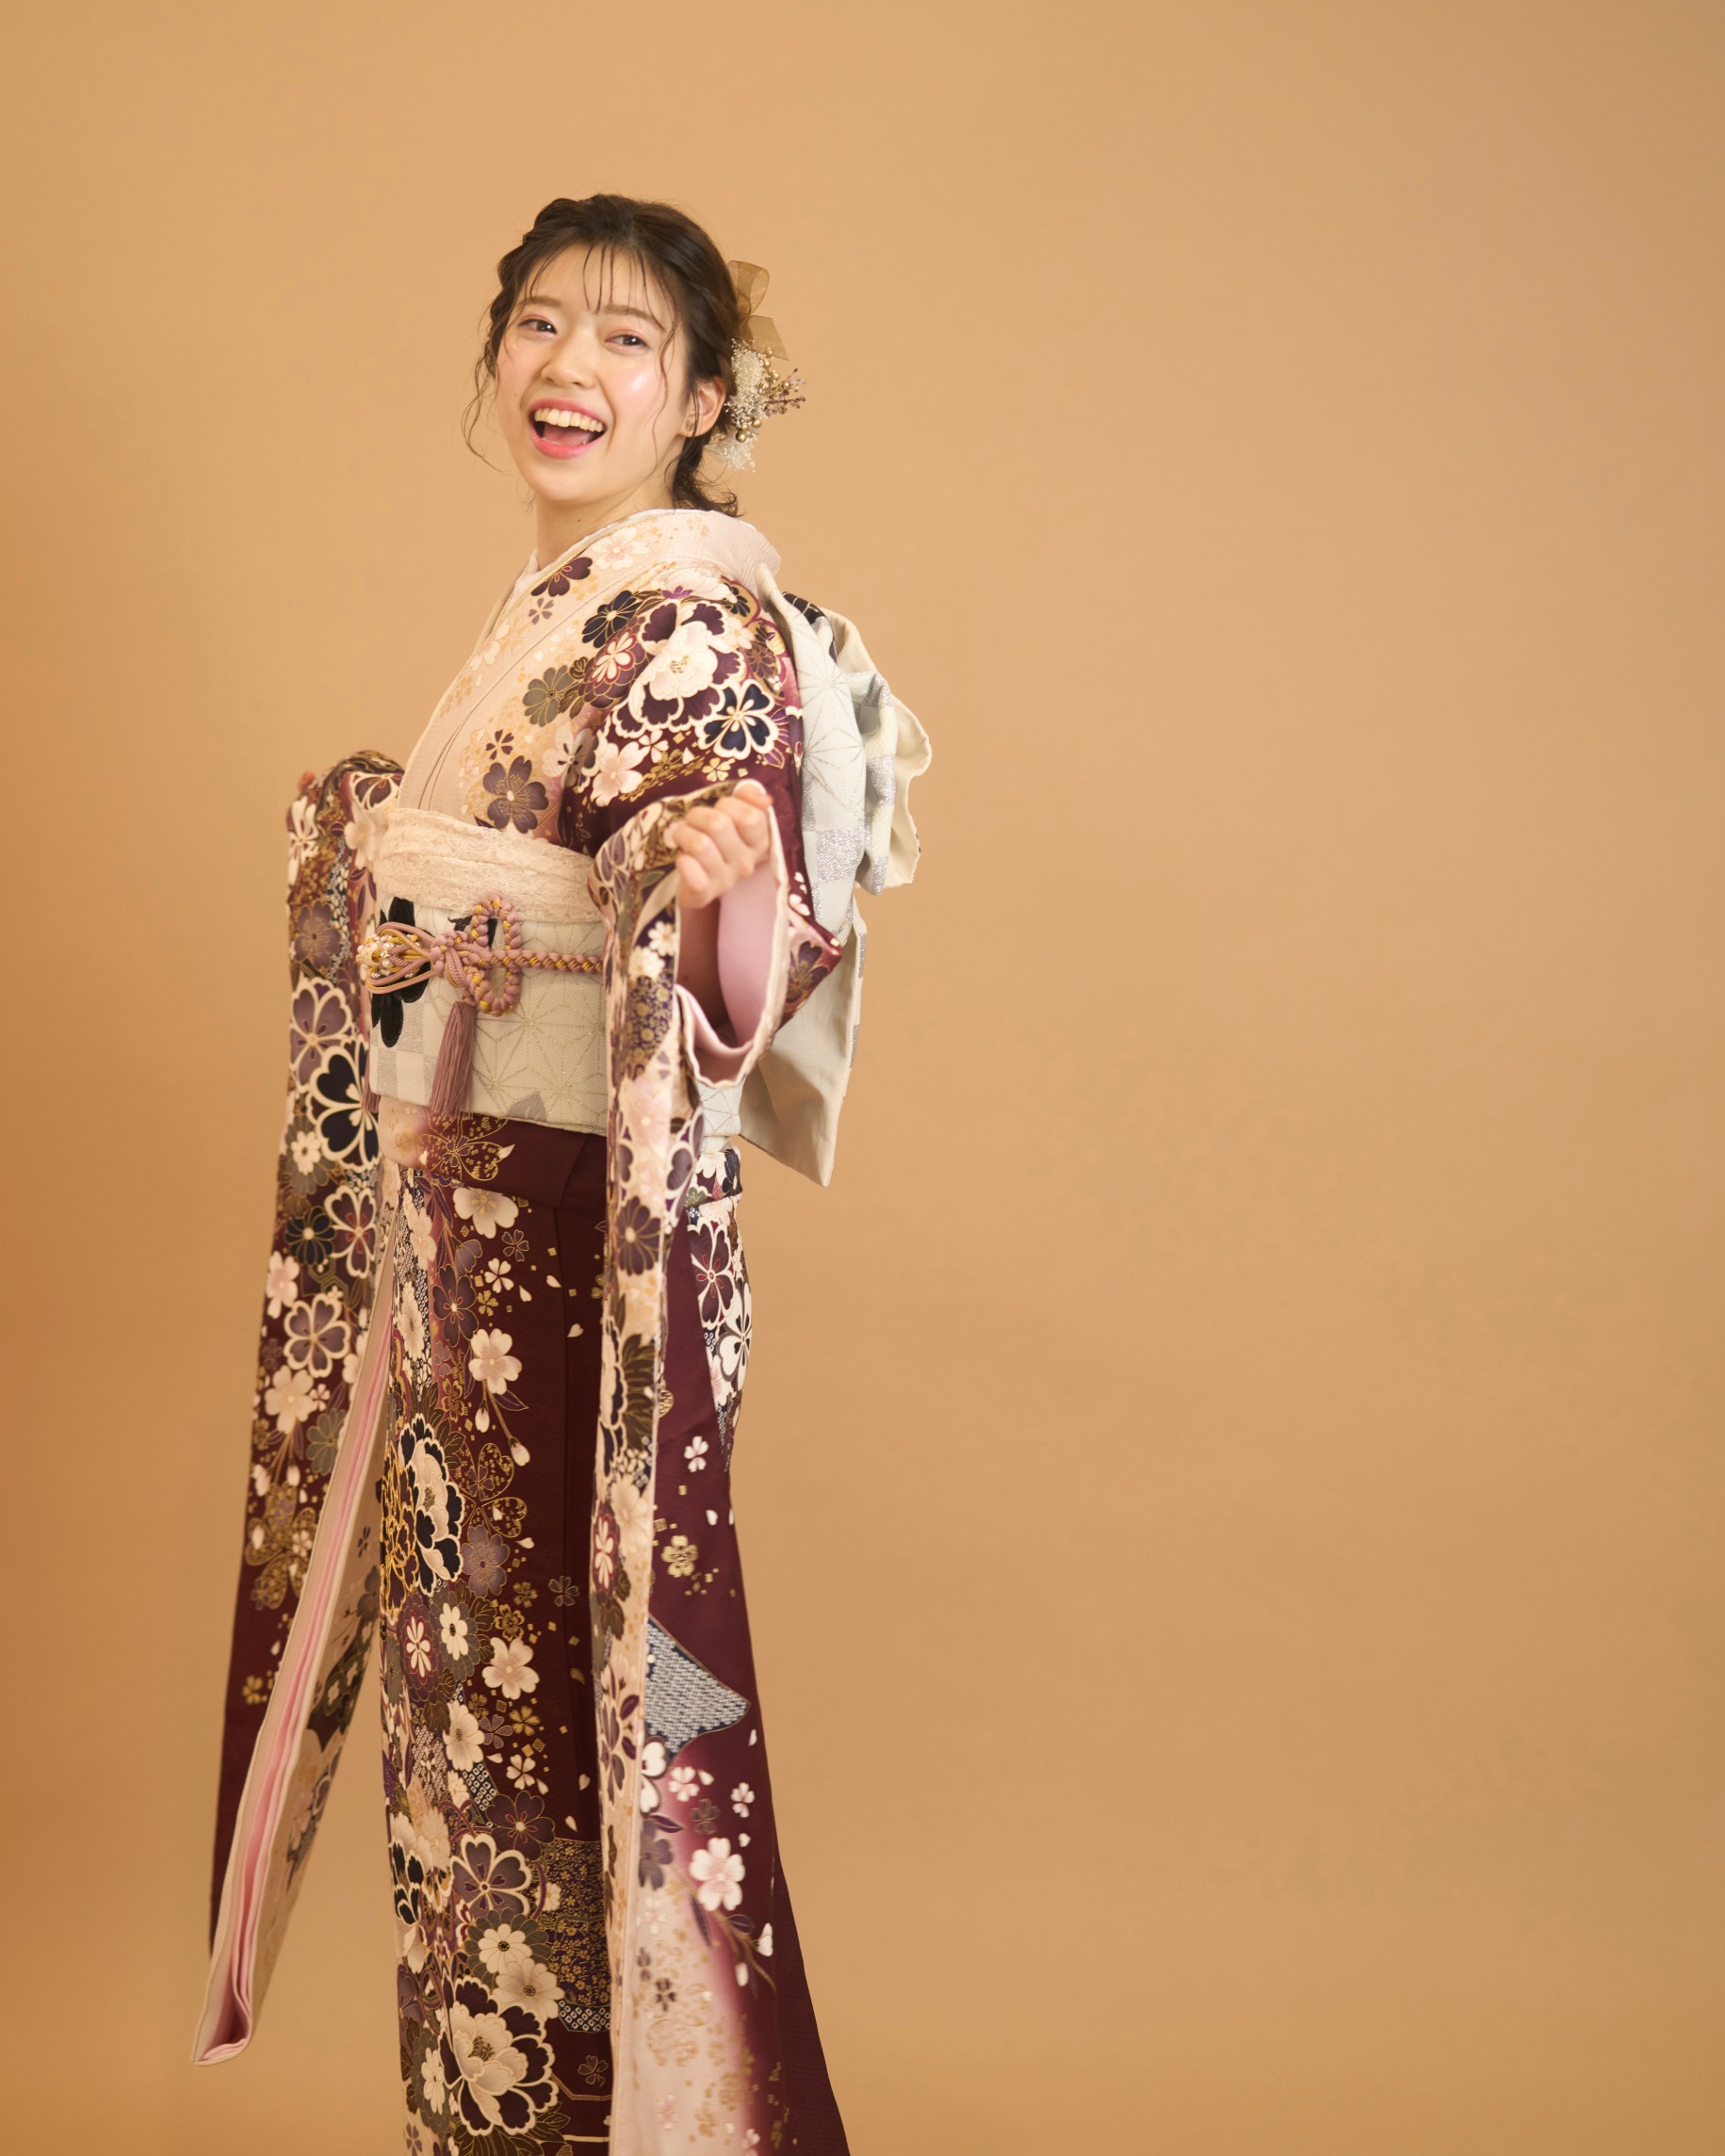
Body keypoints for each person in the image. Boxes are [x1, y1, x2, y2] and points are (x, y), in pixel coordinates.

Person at [192, 194, 929, 2156]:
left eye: (623, 340)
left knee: (560, 1743)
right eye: (537, 324)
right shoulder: (550, 611)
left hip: (567, 1266)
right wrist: (365, 828)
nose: (568, 368)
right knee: (474, 1751)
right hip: (462, 1252)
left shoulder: (695, 621)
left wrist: (725, 896)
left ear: (701, 399)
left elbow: (738, 952)